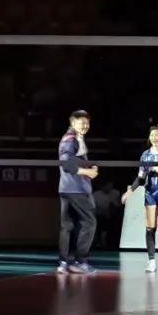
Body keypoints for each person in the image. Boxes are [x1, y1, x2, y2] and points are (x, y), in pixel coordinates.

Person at [122, 124, 158, 273]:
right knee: (150, 228)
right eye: (152, 135)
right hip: (150, 194)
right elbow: (140, 177)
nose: (154, 137)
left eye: (157, 135)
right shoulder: (145, 155)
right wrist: (129, 192)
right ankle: (151, 261)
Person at [57, 109, 98, 274]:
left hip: (66, 188)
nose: (85, 125)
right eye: (82, 122)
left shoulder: (76, 138)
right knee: (89, 223)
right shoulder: (70, 139)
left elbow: (75, 160)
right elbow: (66, 164)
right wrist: (88, 172)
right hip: (76, 190)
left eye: (87, 123)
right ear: (73, 123)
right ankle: (80, 261)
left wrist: (90, 165)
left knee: (67, 226)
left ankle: (63, 263)